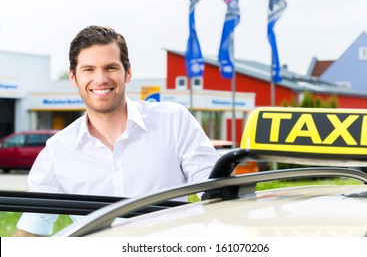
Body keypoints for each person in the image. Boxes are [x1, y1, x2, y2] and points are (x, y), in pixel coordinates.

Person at [14, 25, 220, 236]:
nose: (101, 79)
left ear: (127, 72)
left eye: (110, 67)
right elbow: (33, 225)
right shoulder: (58, 151)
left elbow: (216, 192)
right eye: (88, 69)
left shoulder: (174, 121)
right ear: (73, 77)